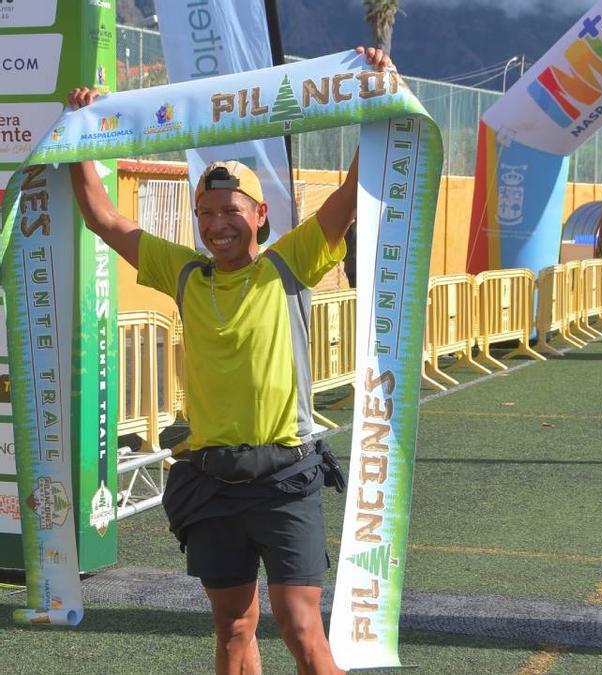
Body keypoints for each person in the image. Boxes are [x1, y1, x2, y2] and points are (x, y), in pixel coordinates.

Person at [66, 46, 393, 675]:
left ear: (260, 215)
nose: (219, 225)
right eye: (207, 214)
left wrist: (377, 90)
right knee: (233, 628)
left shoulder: (289, 263)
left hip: (285, 478)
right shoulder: (183, 272)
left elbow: (354, 192)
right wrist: (81, 141)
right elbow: (105, 220)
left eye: (233, 212)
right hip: (210, 480)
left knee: (303, 630)